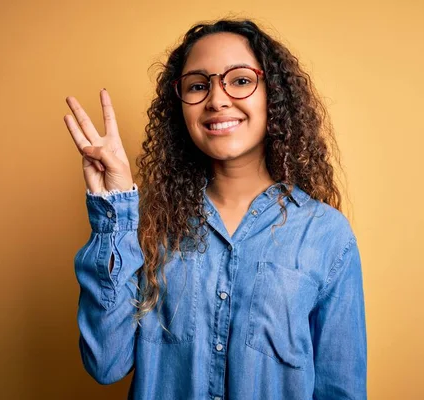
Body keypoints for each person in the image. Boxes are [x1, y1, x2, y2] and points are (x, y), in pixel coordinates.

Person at [64, 19, 367, 400]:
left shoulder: (327, 234)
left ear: (273, 94)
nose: (217, 99)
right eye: (197, 85)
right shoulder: (149, 226)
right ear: (180, 108)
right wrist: (114, 213)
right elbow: (106, 363)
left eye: (240, 80)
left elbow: (341, 389)